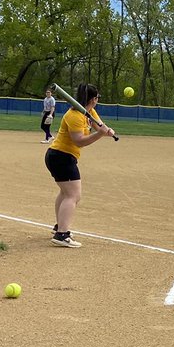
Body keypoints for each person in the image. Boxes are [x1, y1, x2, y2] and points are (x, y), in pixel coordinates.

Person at [44, 83, 115, 248]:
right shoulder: (74, 115)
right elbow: (79, 141)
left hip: (62, 156)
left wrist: (106, 130)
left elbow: (98, 124)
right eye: (97, 98)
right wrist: (99, 135)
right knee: (74, 195)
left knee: (65, 193)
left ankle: (59, 226)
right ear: (93, 99)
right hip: (61, 156)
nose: (98, 101)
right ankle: (62, 234)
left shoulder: (88, 112)